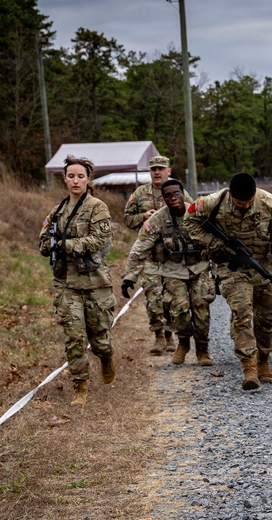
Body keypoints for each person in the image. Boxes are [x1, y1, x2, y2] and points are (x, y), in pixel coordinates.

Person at [184, 172, 272, 391]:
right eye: (240, 203)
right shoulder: (212, 203)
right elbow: (189, 221)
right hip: (232, 267)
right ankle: (249, 367)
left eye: (248, 203)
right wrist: (214, 244)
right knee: (242, 313)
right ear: (230, 194)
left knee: (268, 318)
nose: (244, 207)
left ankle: (263, 360)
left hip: (263, 265)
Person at [39, 155, 117, 406]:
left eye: (80, 176)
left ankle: (106, 357)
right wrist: (49, 246)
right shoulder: (57, 211)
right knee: (74, 338)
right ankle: (80, 386)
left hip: (94, 283)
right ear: (65, 179)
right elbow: (43, 241)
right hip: (67, 283)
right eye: (71, 176)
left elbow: (100, 241)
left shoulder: (97, 207)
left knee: (99, 340)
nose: (75, 180)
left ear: (88, 179)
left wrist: (66, 244)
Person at [120, 178, 215, 367]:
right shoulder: (158, 220)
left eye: (176, 193)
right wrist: (130, 275)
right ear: (163, 198)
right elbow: (140, 248)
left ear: (183, 193)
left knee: (201, 308)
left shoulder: (199, 213)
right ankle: (183, 343)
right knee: (178, 309)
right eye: (168, 195)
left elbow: (218, 237)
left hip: (199, 268)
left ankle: (202, 349)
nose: (173, 198)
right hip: (173, 270)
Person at [121, 155, 193, 355]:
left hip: (173, 257)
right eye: (153, 169)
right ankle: (159, 336)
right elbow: (126, 219)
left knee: (171, 298)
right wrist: (142, 217)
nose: (157, 172)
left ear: (169, 171)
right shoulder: (140, 193)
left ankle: (172, 336)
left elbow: (193, 215)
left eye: (161, 168)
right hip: (151, 257)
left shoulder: (178, 191)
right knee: (153, 298)